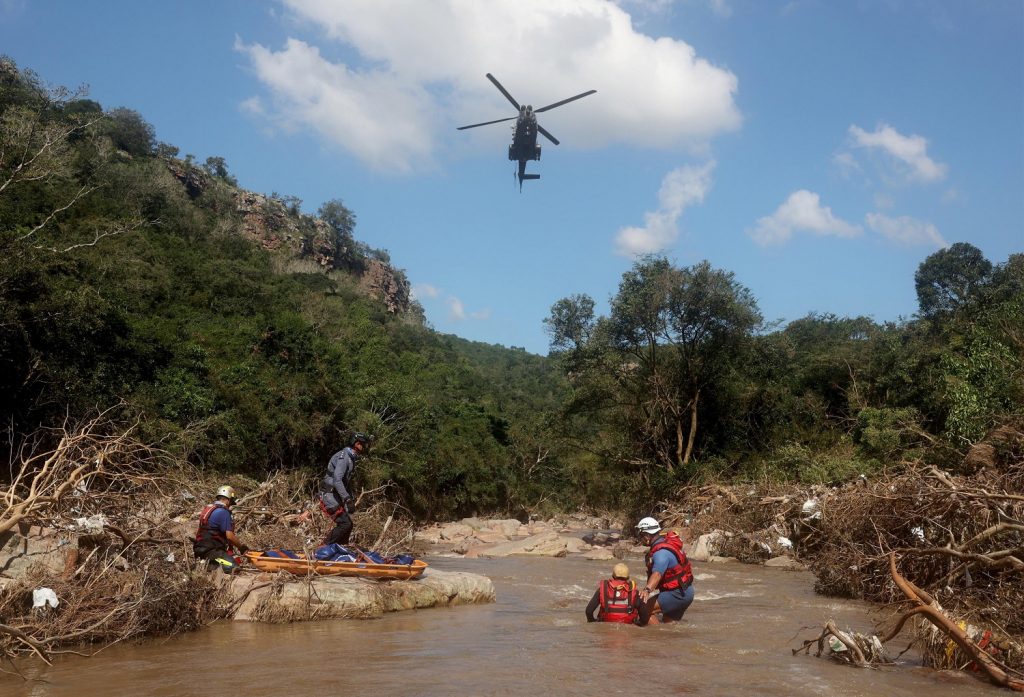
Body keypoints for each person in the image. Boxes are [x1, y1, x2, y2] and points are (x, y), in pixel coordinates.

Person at [636, 517, 694, 622]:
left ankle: (654, 636)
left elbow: (657, 574)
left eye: (641, 535)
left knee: (643, 609)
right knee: (668, 624)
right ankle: (665, 638)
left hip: (676, 594)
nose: (640, 538)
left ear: (647, 535)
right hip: (686, 591)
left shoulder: (660, 553)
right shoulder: (666, 543)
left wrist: (647, 590)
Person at [318, 432, 371, 546]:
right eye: (363, 445)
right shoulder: (344, 457)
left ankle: (341, 549)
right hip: (328, 495)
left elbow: (345, 483)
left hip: (334, 495)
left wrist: (350, 500)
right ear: (357, 444)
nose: (364, 447)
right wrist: (347, 499)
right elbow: (337, 479)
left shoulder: (350, 458)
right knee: (345, 524)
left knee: (348, 524)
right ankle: (322, 549)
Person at [193, 485, 249, 574]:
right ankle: (210, 565)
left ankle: (205, 562)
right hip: (211, 551)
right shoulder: (223, 512)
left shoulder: (209, 508)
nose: (230, 505)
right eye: (231, 502)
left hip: (199, 548)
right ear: (228, 500)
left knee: (233, 558)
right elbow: (230, 536)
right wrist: (241, 547)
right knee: (233, 567)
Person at [585, 562, 651, 626]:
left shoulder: (602, 589)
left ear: (613, 576)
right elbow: (644, 619)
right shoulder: (635, 592)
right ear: (628, 577)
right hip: (627, 631)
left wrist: (593, 622)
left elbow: (588, 611)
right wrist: (637, 624)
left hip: (605, 630)